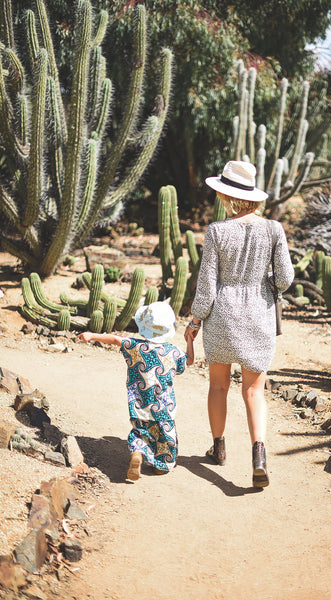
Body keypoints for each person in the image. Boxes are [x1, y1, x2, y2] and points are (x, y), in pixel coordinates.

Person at [184, 160, 294, 488]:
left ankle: (218, 448)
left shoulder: (217, 231)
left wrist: (195, 320)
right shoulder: (274, 229)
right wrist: (264, 284)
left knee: (218, 386)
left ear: (226, 196)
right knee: (254, 390)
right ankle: (258, 454)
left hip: (222, 318)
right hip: (258, 317)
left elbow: (207, 285)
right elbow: (286, 278)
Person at [79, 301, 194, 481]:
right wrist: (189, 341)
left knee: (140, 431)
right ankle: (161, 466)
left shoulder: (135, 347)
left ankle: (138, 452)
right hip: (164, 407)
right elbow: (189, 361)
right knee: (166, 435)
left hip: (139, 403)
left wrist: (91, 335)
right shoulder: (174, 352)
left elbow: (116, 339)